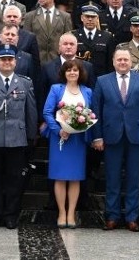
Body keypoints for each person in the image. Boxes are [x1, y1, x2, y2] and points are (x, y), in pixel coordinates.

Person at [92, 48, 139, 231]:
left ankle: (132, 217)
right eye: (119, 59)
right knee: (112, 178)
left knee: (134, 178)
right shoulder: (102, 81)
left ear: (131, 62)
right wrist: (97, 136)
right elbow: (96, 111)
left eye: (125, 60)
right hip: (111, 136)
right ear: (113, 62)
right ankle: (112, 216)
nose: (122, 62)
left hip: (136, 136)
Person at [0, 44, 38, 229]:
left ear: (15, 62)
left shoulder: (25, 83)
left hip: (17, 139)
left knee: (14, 179)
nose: (7, 62)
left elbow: (31, 112)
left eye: (10, 59)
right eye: (3, 59)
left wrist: (31, 136)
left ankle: (11, 215)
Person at [42, 58, 93, 228]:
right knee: (60, 177)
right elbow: (48, 112)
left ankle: (71, 213)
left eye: (75, 70)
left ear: (80, 73)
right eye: (69, 70)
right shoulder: (56, 89)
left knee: (75, 177)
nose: (72, 72)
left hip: (78, 140)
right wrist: (59, 130)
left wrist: (82, 125)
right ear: (64, 73)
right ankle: (61, 213)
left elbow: (90, 114)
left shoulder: (87, 91)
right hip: (60, 140)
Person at [22, 0, 72, 65]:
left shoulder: (65, 17)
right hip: (36, 62)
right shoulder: (30, 16)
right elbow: (26, 41)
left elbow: (68, 39)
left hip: (58, 62)